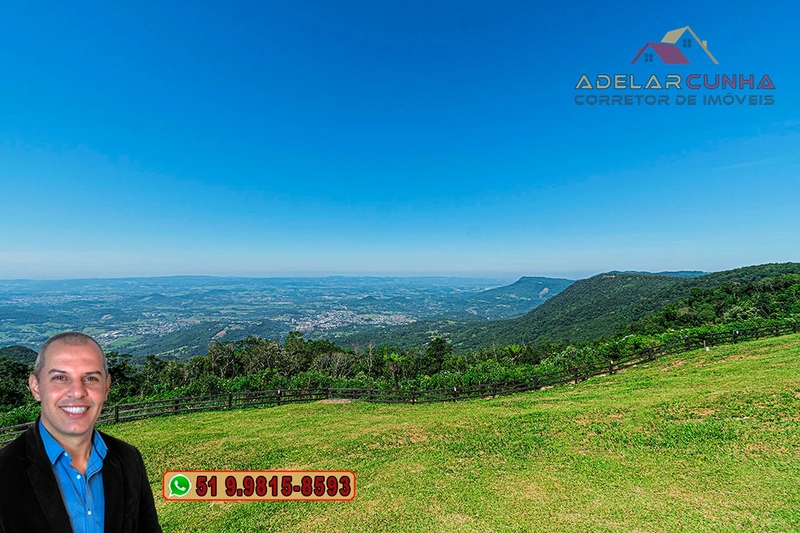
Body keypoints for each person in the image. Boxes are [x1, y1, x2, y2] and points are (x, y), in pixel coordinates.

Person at [0, 331, 162, 533]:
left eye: (91, 378)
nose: (77, 392)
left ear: (106, 387)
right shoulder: (4, 472)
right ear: (36, 387)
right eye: (60, 377)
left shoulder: (129, 459)